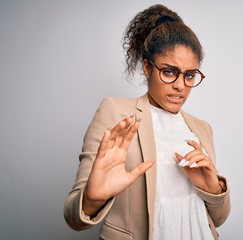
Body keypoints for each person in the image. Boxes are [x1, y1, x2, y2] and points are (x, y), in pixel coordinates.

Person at [64, 4, 231, 240]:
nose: (180, 85)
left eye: (190, 75)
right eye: (169, 71)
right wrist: (93, 198)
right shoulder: (115, 112)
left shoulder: (202, 129)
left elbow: (219, 218)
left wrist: (212, 188)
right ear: (147, 67)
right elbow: (73, 218)